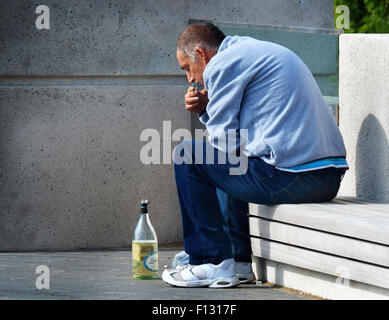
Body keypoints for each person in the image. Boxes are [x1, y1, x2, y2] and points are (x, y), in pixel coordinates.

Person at [162, 23, 348, 288]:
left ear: (201, 55)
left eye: (187, 68)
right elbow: (235, 145)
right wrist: (206, 109)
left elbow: (222, 145)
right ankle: (238, 262)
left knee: (187, 154)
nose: (190, 79)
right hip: (327, 178)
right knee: (237, 163)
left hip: (293, 176)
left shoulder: (221, 64)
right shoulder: (252, 51)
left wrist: (205, 111)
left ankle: (210, 260)